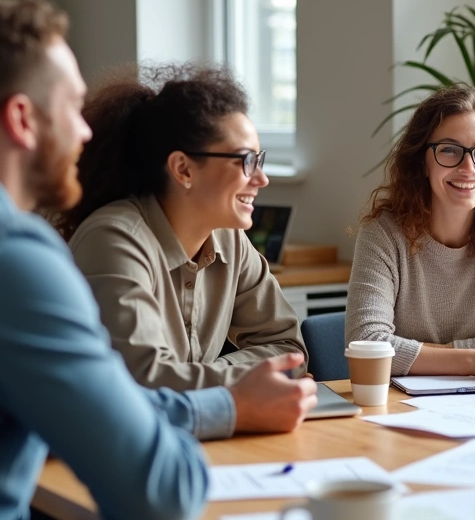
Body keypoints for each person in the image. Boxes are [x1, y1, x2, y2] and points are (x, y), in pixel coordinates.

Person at [0, 0, 317, 520]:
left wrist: (220, 404)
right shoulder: (5, 256)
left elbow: (101, 401)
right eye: (73, 107)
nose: (86, 130)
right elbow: (160, 495)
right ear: (22, 119)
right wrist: (227, 405)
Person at [52, 64, 307, 391]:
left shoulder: (230, 239)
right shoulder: (113, 239)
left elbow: (290, 352)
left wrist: (215, 375)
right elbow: (145, 382)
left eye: (260, 160)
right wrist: (251, 380)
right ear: (183, 169)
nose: (261, 179)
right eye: (246, 161)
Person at [346, 85, 475, 380]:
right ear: (422, 161)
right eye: (449, 150)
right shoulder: (383, 233)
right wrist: (474, 361)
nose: (468, 167)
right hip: (402, 407)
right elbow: (366, 343)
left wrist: (433, 354)